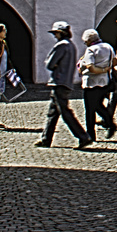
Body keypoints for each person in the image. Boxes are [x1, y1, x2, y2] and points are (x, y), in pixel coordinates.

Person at [37, 21, 92, 149]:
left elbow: (50, 64)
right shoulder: (71, 46)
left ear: (60, 33)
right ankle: (46, 139)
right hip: (66, 81)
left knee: (65, 112)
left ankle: (83, 137)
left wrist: (53, 64)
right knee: (53, 112)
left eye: (56, 33)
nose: (55, 36)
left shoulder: (61, 45)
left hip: (59, 81)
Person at [79, 28, 117, 138]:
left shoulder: (91, 50)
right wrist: (107, 68)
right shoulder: (108, 46)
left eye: (85, 41)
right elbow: (115, 61)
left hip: (91, 82)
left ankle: (91, 133)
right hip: (105, 81)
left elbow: (91, 67)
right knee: (97, 105)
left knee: (90, 109)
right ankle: (109, 122)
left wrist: (101, 70)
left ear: (89, 40)